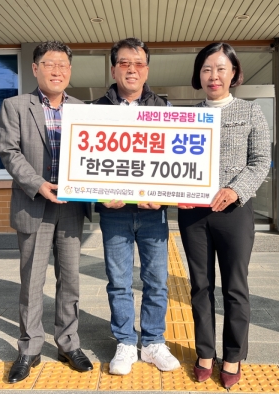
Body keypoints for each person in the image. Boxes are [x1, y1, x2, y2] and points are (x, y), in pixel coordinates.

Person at [0, 41, 93, 383]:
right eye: (50, 64)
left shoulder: (83, 109)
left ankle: (68, 342)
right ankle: (29, 348)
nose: (57, 71)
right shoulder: (15, 106)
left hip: (71, 208)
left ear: (70, 70)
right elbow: (9, 152)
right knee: (32, 282)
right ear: (35, 68)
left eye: (63, 65)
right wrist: (38, 184)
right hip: (34, 204)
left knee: (70, 280)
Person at [178, 42, 270, 388]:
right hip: (193, 215)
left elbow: (260, 161)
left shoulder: (250, 112)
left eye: (220, 69)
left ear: (234, 73)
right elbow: (175, 163)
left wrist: (235, 190)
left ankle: (233, 356)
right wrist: (175, 193)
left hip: (234, 211)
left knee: (235, 286)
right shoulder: (186, 116)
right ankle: (205, 353)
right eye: (206, 69)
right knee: (200, 286)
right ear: (198, 76)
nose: (213, 76)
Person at [93, 38, 180, 375]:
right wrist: (99, 194)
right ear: (113, 69)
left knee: (157, 280)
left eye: (139, 63)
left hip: (153, 213)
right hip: (113, 213)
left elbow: (176, 160)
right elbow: (85, 165)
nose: (132, 69)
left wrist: (164, 195)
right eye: (125, 63)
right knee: (118, 281)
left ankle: (154, 342)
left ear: (147, 69)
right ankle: (126, 342)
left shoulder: (165, 109)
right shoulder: (94, 111)